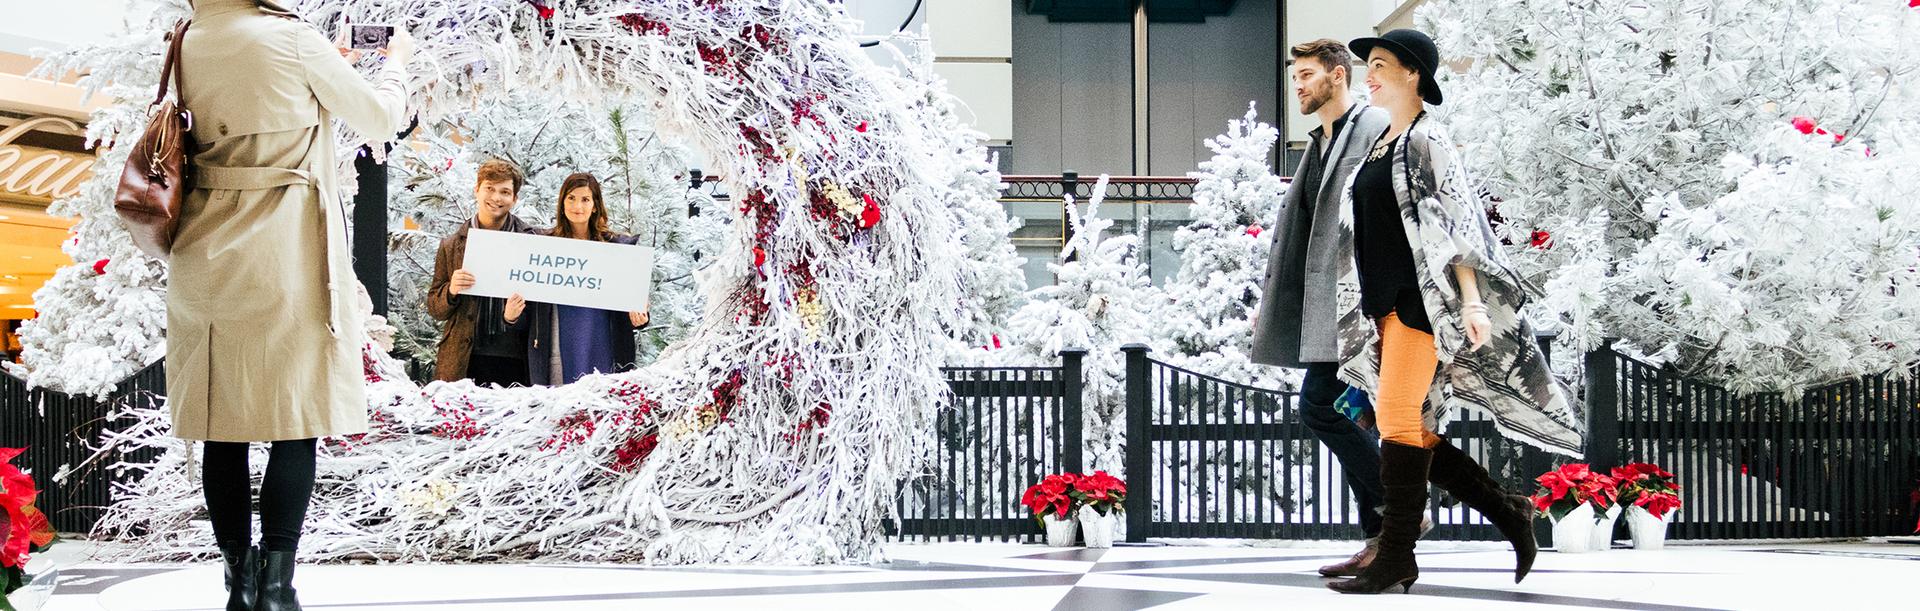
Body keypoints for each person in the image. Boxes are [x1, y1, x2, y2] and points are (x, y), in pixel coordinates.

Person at [165, 1, 413, 609]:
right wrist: (397, 63)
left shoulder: (189, 36)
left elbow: (243, 105)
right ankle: (277, 586)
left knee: (222, 425)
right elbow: (380, 116)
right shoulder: (293, 39)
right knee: (293, 419)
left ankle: (237, 582)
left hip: (204, 253)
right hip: (285, 252)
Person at [1324, 29, 1584, 595]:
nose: (1368, 75)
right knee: (1406, 428)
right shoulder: (1379, 144)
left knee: (1394, 421)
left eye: (1380, 65)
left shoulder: (1427, 140)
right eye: (1368, 65)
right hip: (1385, 309)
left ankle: (1396, 555)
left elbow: (1457, 226)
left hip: (1424, 305)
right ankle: (1508, 511)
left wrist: (1470, 300)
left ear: (1412, 73)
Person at [1251, 38, 1419, 578]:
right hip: (1329, 305)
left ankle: (1404, 512)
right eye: (1294, 77)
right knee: (1348, 416)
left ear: (1336, 77)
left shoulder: (1371, 130)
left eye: (1305, 75)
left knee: (1320, 406)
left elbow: (1390, 211)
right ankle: (1384, 545)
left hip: (1363, 306)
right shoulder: (1321, 141)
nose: (1296, 86)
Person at [522, 172, 649, 386]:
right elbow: (528, 306)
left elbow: (635, 306)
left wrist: (640, 313)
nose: (577, 206)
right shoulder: (544, 246)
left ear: (595, 205)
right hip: (559, 345)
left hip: (603, 342)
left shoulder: (617, 248)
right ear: (562, 202)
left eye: (585, 199)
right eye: (571, 198)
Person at [427, 159, 542, 386]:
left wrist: (514, 316)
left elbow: (544, 305)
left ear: (514, 198)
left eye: (505, 192)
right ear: (477, 190)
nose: (496, 198)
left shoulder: (532, 241)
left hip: (515, 358)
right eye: (489, 188)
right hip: (464, 359)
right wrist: (450, 290)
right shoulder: (452, 245)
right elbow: (434, 308)